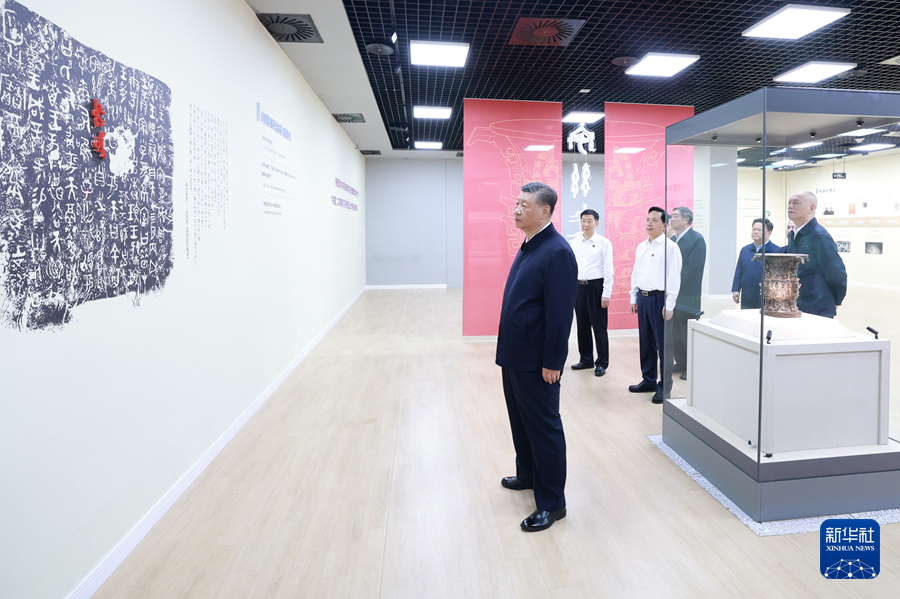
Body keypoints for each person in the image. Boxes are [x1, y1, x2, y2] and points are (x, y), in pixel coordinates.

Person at [496, 181, 577, 532]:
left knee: (544, 428)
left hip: (536, 361)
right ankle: (528, 474)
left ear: (544, 211)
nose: (516, 210)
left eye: (524, 205)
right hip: (515, 353)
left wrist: (553, 362)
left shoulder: (557, 252)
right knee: (520, 421)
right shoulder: (530, 244)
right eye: (516, 203)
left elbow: (560, 314)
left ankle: (552, 503)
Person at [628, 207, 682, 404]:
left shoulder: (671, 248)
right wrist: (633, 297)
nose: (649, 223)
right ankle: (648, 380)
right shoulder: (642, 247)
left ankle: (664, 387)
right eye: (647, 219)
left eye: (654, 220)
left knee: (663, 345)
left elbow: (674, 278)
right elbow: (636, 273)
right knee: (646, 342)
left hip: (660, 300)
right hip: (643, 298)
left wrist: (670, 304)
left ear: (664, 225)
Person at [784, 190, 847, 318]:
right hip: (796, 303)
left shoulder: (819, 236)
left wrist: (836, 298)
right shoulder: (793, 234)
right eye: (789, 203)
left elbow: (836, 273)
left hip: (817, 306)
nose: (790, 206)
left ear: (811, 208)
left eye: (796, 203)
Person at [568, 209, 614, 377]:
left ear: (597, 223)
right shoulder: (574, 242)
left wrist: (606, 293)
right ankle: (586, 359)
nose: (585, 224)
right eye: (583, 221)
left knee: (599, 327)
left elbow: (608, 270)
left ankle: (602, 363)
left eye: (589, 221)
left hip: (597, 287)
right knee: (582, 326)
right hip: (579, 287)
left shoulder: (604, 243)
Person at [668, 207, 705, 380]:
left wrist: (673, 280)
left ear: (686, 219)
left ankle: (691, 366)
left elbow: (693, 268)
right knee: (675, 330)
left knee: (686, 330)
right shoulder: (673, 239)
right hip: (673, 292)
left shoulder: (697, 239)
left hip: (688, 293)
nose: (671, 219)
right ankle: (681, 362)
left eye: (675, 216)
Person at [732, 218, 780, 309]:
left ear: (769, 233)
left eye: (759, 230)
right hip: (747, 296)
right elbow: (739, 271)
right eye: (754, 229)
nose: (755, 232)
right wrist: (736, 289)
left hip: (766, 298)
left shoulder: (776, 251)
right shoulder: (745, 250)